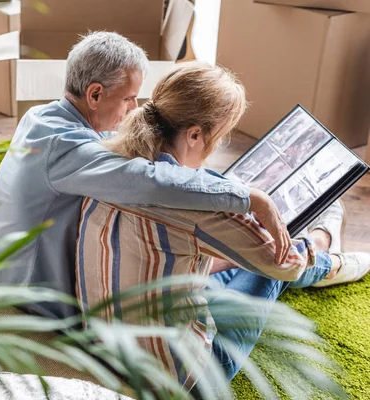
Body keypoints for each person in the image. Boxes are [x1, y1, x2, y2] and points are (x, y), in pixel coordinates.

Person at [75, 61, 370, 391]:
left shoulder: (101, 162)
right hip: (185, 381)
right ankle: (325, 250)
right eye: (221, 136)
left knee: (222, 257)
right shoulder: (201, 206)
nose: (218, 144)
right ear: (195, 134)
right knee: (274, 264)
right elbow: (283, 266)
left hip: (101, 355)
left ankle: (312, 253)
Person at [0, 32, 291, 320]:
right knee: (231, 267)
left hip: (5, 275)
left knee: (210, 268)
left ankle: (306, 256)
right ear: (95, 95)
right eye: (129, 98)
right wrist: (251, 198)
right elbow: (152, 182)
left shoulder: (41, 117)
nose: (134, 108)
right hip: (34, 304)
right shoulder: (67, 148)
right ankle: (314, 254)